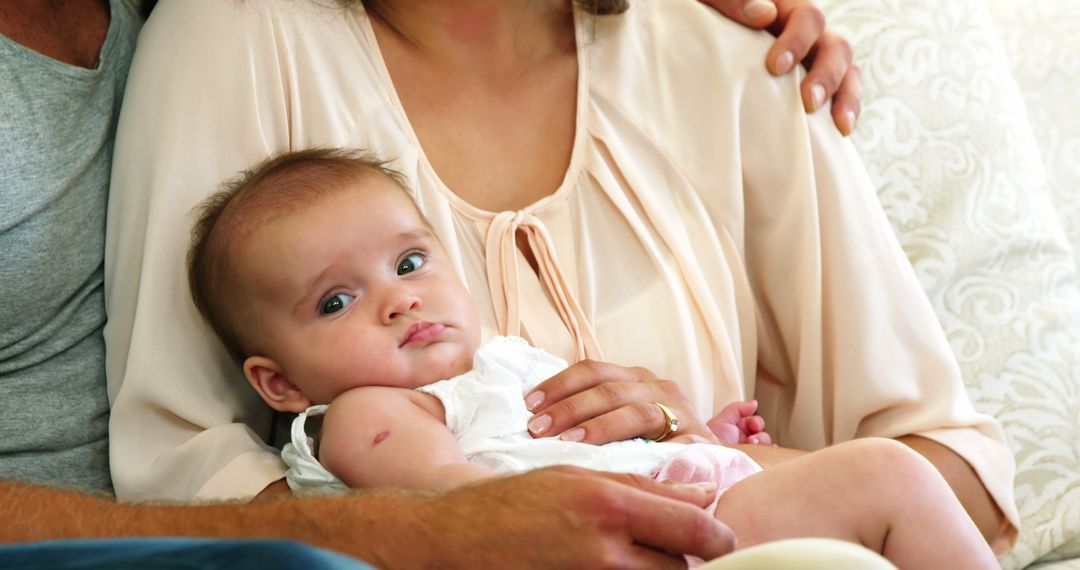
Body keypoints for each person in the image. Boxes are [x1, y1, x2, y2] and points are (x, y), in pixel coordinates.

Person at [103, 0, 1019, 557]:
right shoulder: (232, 41)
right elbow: (179, 481)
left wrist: (694, 452)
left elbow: (954, 478)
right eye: (342, 298)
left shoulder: (738, 55)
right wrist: (461, 534)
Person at [186, 147, 998, 569]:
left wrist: (700, 439)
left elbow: (594, 443)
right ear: (280, 383)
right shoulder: (367, 413)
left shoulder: (501, 363)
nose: (398, 300)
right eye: (337, 300)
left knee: (876, 495)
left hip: (663, 522)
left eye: (409, 264)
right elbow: (466, 508)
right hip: (623, 543)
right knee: (890, 479)